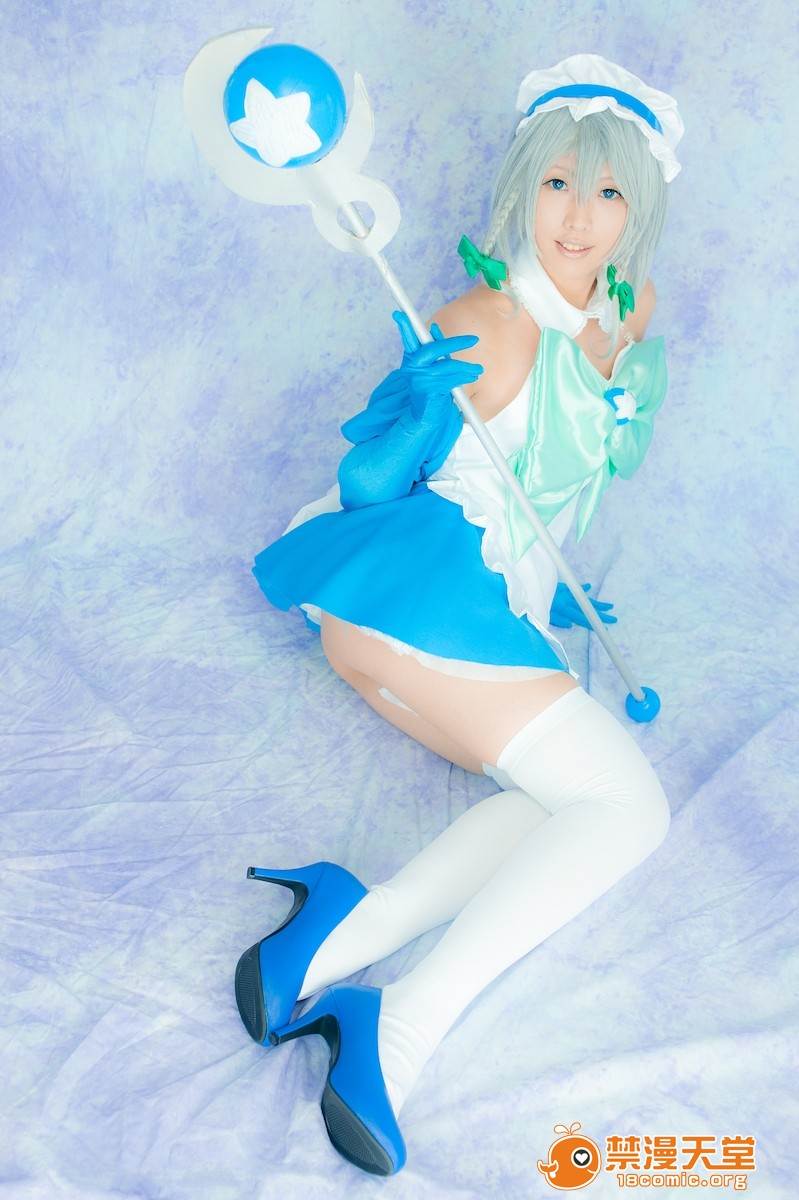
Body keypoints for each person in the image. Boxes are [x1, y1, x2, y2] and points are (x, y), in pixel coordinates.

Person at [235, 53, 685, 1176]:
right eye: (557, 183)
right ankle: (400, 1024)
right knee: (630, 809)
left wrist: (551, 591)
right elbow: (371, 490)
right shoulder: (483, 318)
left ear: (638, 209)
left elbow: (549, 484)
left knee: (552, 803)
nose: (577, 216)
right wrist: (409, 418)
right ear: (521, 187)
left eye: (608, 191)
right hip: (417, 595)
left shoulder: (621, 321)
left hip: (450, 622)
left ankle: (335, 934)